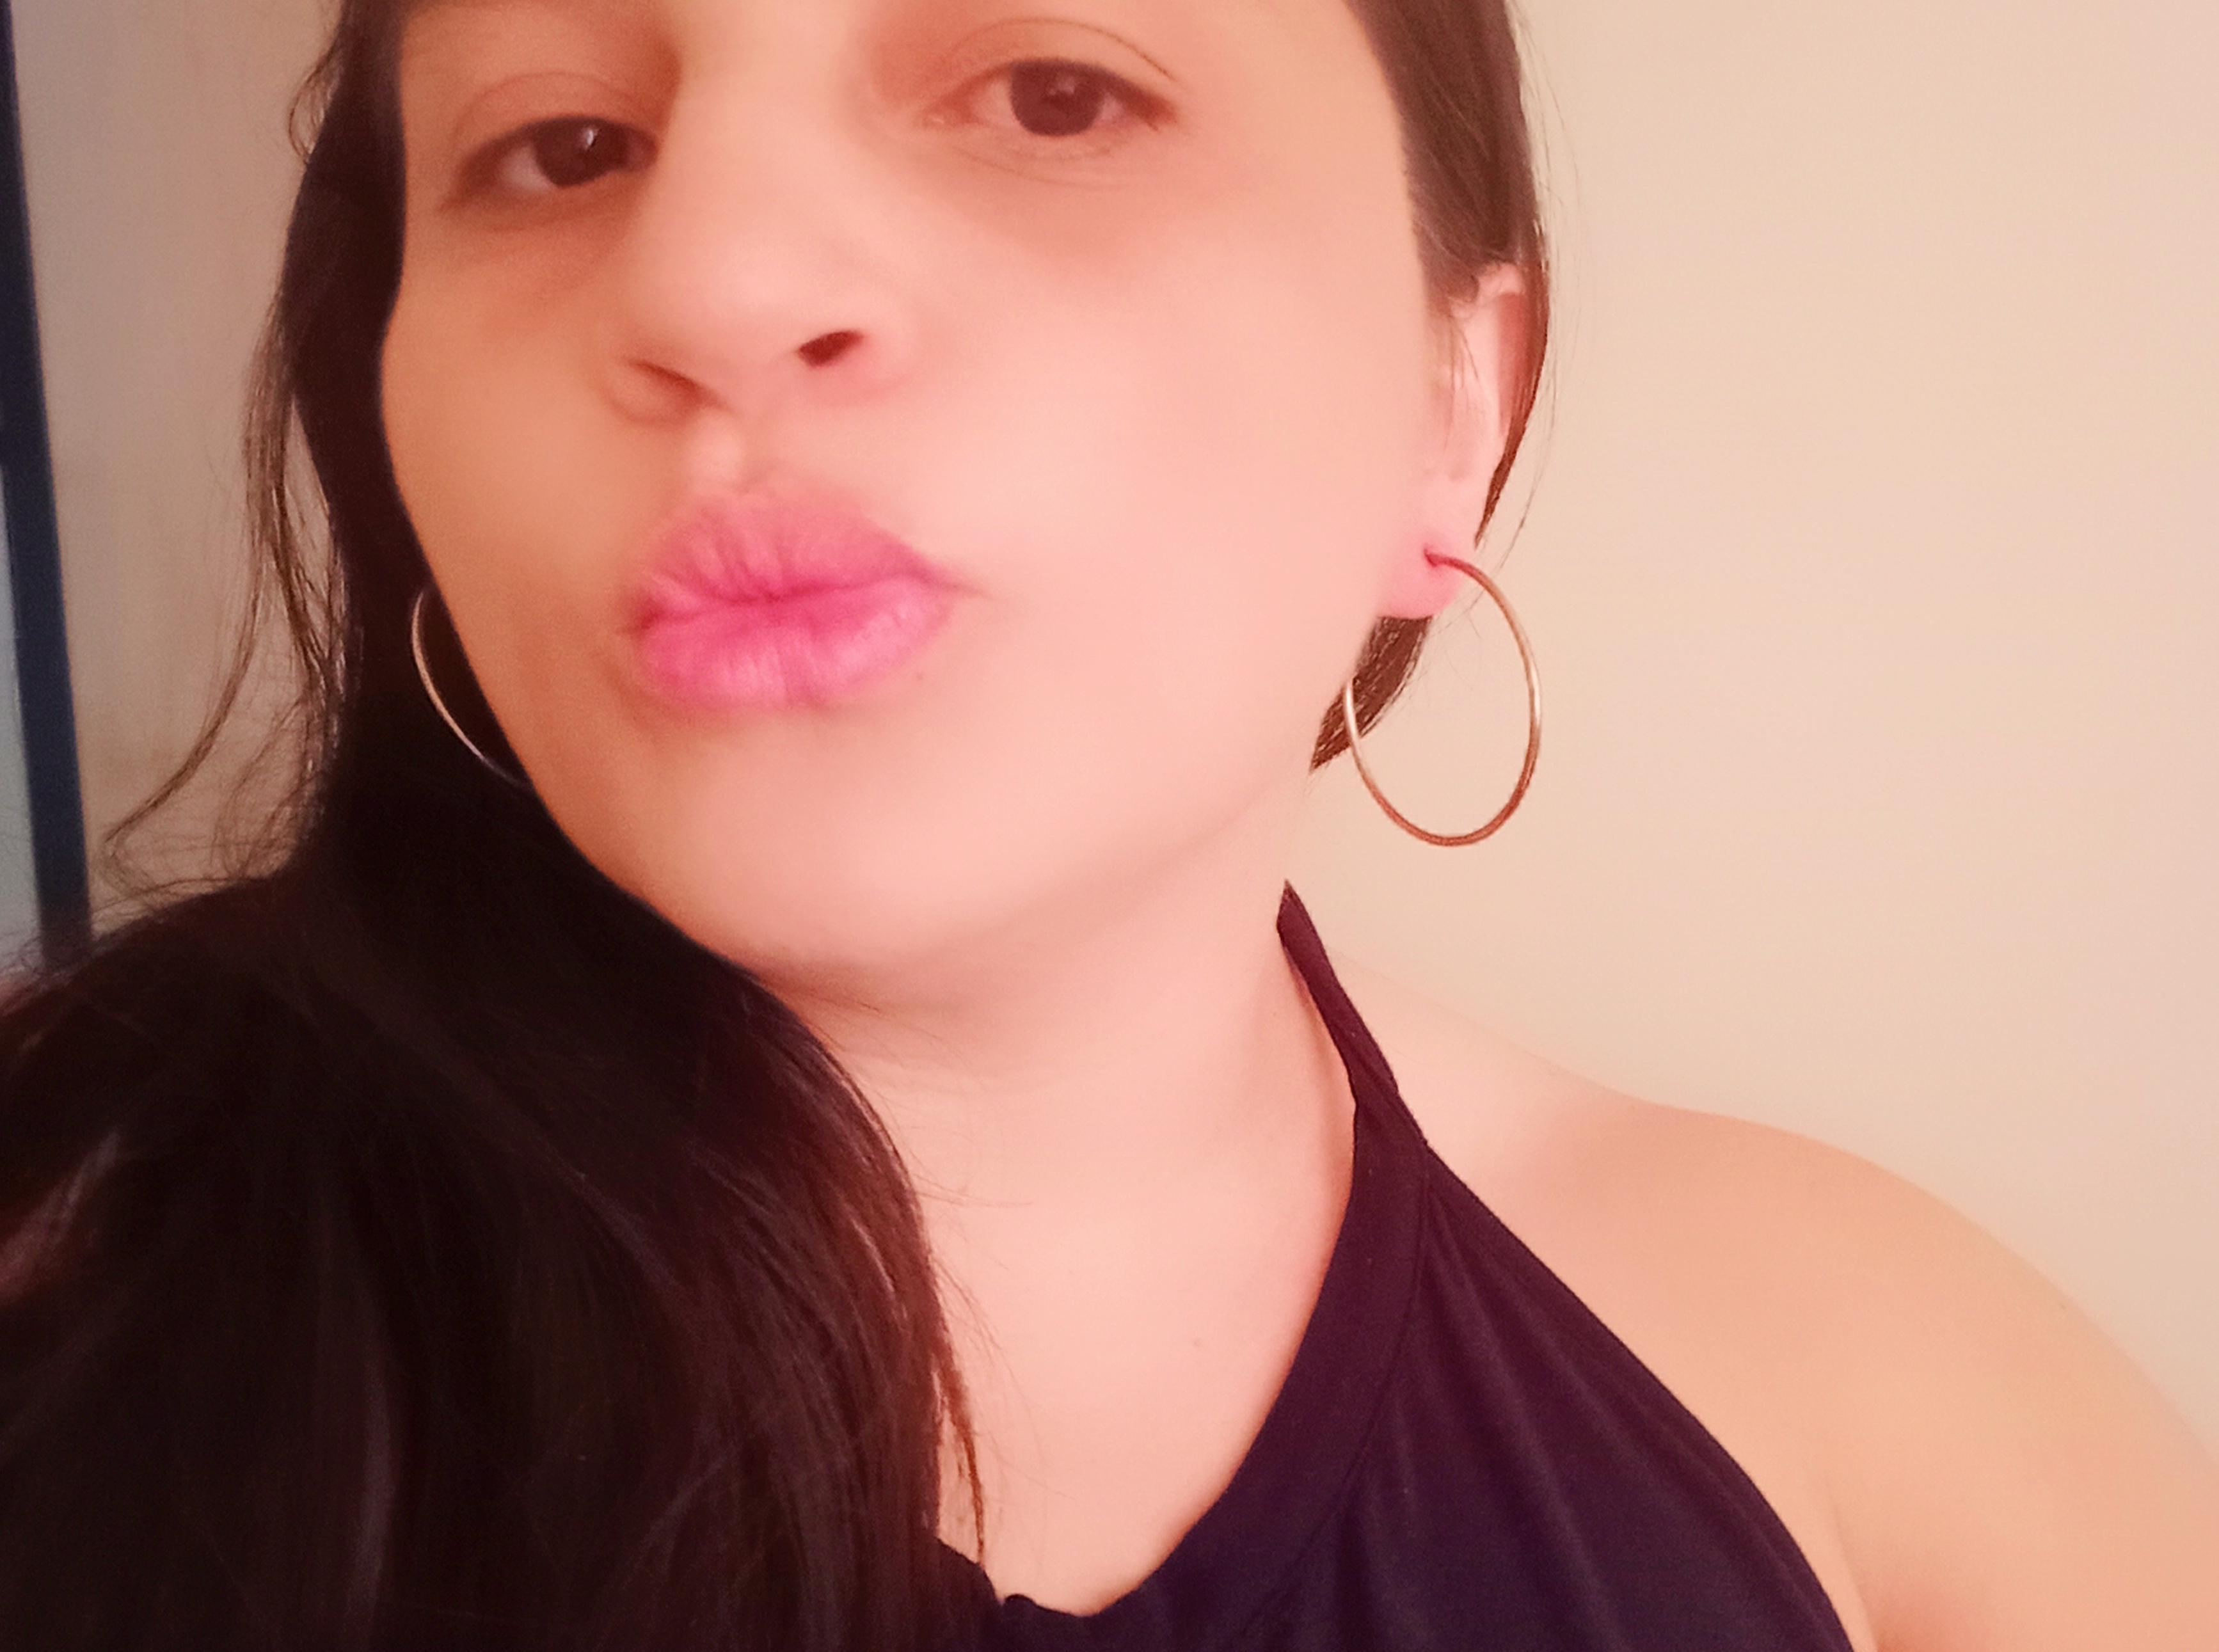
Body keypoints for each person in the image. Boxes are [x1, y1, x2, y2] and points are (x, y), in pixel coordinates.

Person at [2, 1, 2215, 1648]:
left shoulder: (1887, 1402)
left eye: (1055, 92)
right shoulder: (70, 1288)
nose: (707, 283)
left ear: (1459, 402)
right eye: (563, 145)